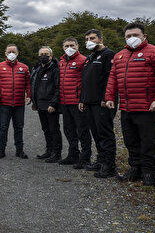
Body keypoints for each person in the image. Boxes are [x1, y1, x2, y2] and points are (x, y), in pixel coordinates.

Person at [105, 22, 155, 186]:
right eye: (128, 36)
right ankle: (135, 168)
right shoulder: (120, 56)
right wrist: (109, 97)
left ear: (144, 36)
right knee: (131, 140)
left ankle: (148, 171)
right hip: (127, 108)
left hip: (148, 108)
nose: (132, 38)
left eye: (135, 35)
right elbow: (113, 78)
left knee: (148, 140)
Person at [79, 29, 118, 178]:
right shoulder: (89, 58)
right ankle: (101, 161)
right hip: (89, 102)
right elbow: (85, 81)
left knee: (105, 134)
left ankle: (109, 165)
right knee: (95, 133)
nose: (89, 41)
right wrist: (82, 99)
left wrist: (106, 98)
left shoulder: (109, 55)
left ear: (100, 39)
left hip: (102, 103)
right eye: (87, 38)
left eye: (92, 38)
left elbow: (111, 79)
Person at [58, 37, 92, 169]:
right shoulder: (61, 62)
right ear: (63, 48)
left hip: (78, 103)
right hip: (65, 102)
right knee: (68, 130)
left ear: (77, 46)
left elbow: (86, 82)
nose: (69, 48)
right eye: (66, 46)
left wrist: (83, 99)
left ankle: (85, 158)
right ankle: (73, 154)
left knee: (82, 131)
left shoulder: (83, 60)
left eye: (72, 45)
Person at [0, 45, 31, 158]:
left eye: (14, 51)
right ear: (5, 53)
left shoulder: (24, 68)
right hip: (4, 103)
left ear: (17, 53)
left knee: (19, 127)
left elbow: (28, 83)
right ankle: (1, 150)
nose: (11, 53)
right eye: (9, 51)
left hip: (19, 103)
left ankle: (20, 151)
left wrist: (29, 95)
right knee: (3, 127)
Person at [30, 47, 62, 163]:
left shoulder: (55, 69)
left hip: (50, 105)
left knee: (54, 129)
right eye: (41, 54)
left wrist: (54, 103)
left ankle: (56, 153)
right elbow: (34, 86)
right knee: (46, 129)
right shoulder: (37, 69)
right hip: (40, 104)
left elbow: (58, 87)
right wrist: (34, 102)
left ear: (51, 56)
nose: (44, 56)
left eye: (46, 54)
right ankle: (49, 150)